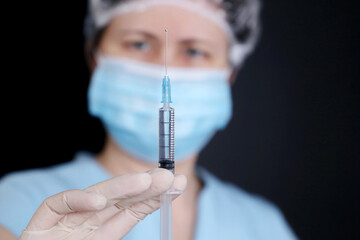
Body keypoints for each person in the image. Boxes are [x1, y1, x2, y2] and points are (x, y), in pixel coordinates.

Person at [0, 0, 298, 239]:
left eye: (195, 51)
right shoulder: (18, 202)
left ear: (230, 74)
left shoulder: (263, 225)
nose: (162, 66)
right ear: (95, 58)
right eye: (139, 44)